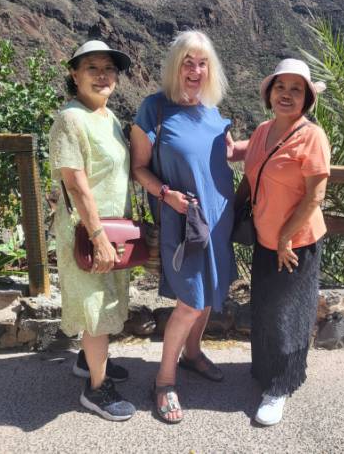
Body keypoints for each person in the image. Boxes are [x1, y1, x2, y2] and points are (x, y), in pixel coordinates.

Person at [131, 30, 247, 423]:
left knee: (210, 294)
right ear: (174, 67)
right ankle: (164, 381)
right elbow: (138, 168)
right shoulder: (154, 109)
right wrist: (166, 195)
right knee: (191, 301)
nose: (195, 71)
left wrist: (281, 134)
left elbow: (229, 153)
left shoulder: (213, 112)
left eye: (202, 64)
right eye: (187, 63)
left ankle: (192, 354)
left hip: (218, 219)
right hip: (183, 221)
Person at [49, 40, 136, 421]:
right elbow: (76, 183)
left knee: (106, 301)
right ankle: (97, 390)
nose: (102, 75)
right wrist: (98, 236)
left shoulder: (109, 116)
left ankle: (89, 360)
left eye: (109, 68)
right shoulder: (71, 119)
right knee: (96, 306)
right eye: (92, 68)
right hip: (89, 232)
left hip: (112, 229)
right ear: (74, 74)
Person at [241, 58, 330, 426]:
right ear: (269, 93)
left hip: (295, 244)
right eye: (281, 87)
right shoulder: (263, 131)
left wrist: (285, 238)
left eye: (296, 89)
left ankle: (280, 386)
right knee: (264, 309)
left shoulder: (312, 137)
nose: (287, 95)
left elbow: (315, 196)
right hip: (265, 238)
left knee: (287, 315)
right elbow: (251, 171)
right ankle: (264, 371)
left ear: (307, 98)